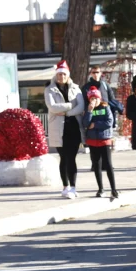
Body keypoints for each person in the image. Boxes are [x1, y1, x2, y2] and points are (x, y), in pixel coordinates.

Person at [44, 60, 85, 199]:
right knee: (63, 157)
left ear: (68, 75)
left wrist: (67, 112)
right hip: (58, 128)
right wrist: (69, 105)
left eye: (64, 74)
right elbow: (52, 107)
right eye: (59, 74)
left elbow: (81, 106)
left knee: (72, 157)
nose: (61, 77)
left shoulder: (76, 88)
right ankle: (65, 186)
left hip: (73, 127)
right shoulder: (49, 89)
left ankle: (73, 187)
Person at [82, 86, 119, 200]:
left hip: (105, 140)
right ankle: (101, 189)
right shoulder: (88, 109)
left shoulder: (105, 107)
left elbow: (109, 121)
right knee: (96, 165)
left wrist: (95, 125)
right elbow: (85, 123)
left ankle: (114, 189)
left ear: (100, 98)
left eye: (96, 98)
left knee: (108, 164)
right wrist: (89, 111)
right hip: (93, 141)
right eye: (91, 98)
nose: (94, 100)